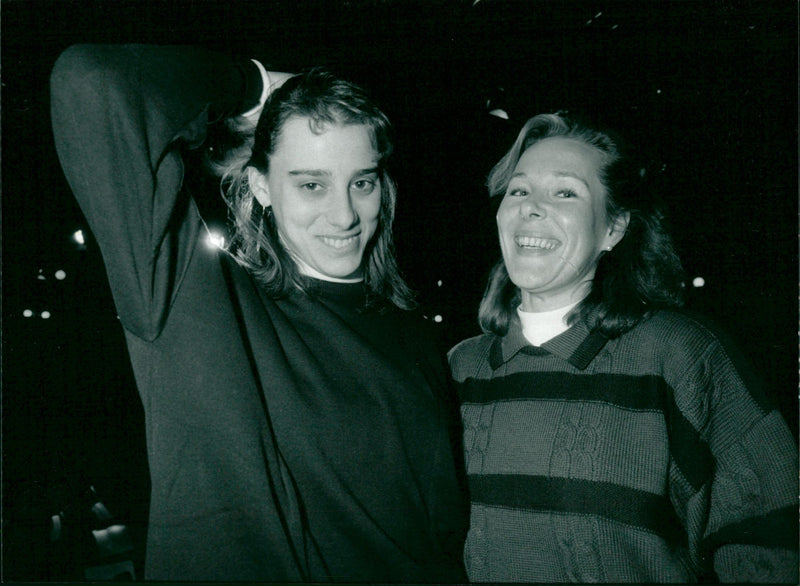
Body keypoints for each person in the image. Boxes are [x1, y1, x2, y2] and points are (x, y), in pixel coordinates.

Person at [50, 44, 467, 582]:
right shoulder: (197, 307)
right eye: (311, 184)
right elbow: (93, 83)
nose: (344, 214)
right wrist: (252, 86)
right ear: (261, 185)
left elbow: (443, 538)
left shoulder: (413, 336)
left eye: (360, 182)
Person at [448, 112, 798, 583]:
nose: (530, 207)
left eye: (565, 192)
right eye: (519, 189)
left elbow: (770, 536)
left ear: (613, 228)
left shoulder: (679, 356)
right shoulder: (458, 370)